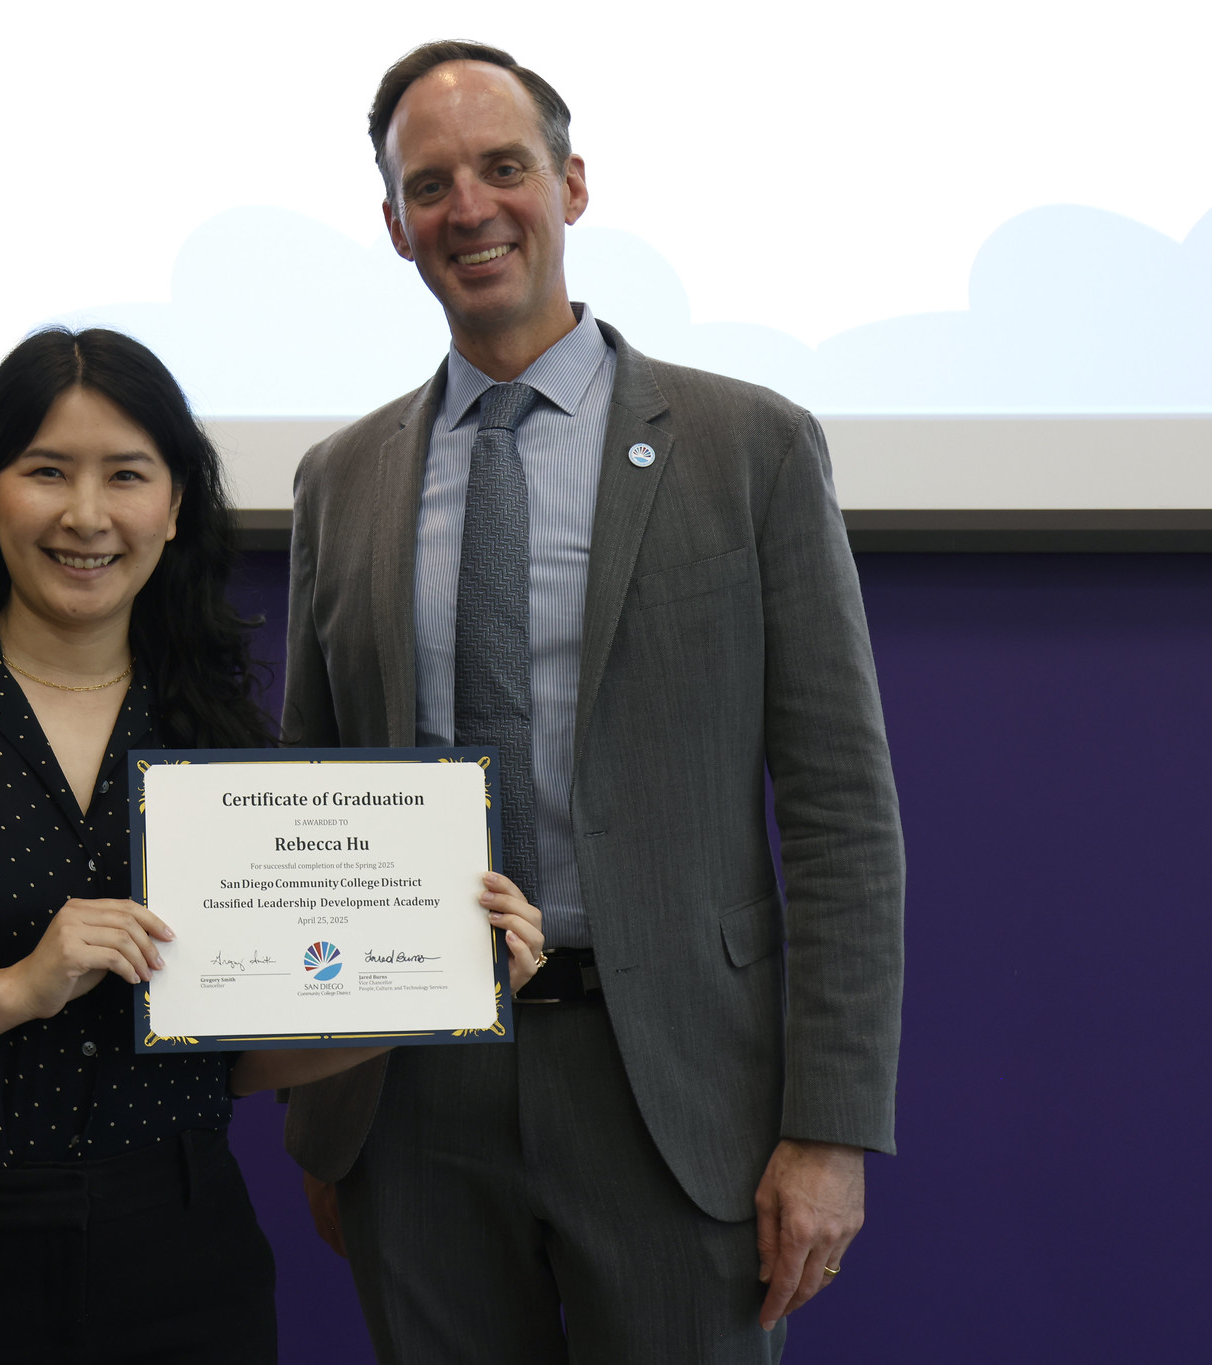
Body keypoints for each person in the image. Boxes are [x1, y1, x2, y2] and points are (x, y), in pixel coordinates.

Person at [280, 41, 907, 1364]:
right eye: (431, 183)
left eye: (504, 168)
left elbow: (843, 807)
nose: (471, 208)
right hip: (412, 1090)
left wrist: (831, 1125)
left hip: (676, 1088)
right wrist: (322, 1108)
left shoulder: (749, 448)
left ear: (569, 184)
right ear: (395, 225)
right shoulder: (341, 482)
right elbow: (312, 795)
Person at [0, 328, 494, 1364]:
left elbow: (222, 1055)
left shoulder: (216, 740)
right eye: (46, 471)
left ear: (173, 506)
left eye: (125, 475)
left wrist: (438, 985)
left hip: (181, 1260)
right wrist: (16, 987)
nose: (86, 516)